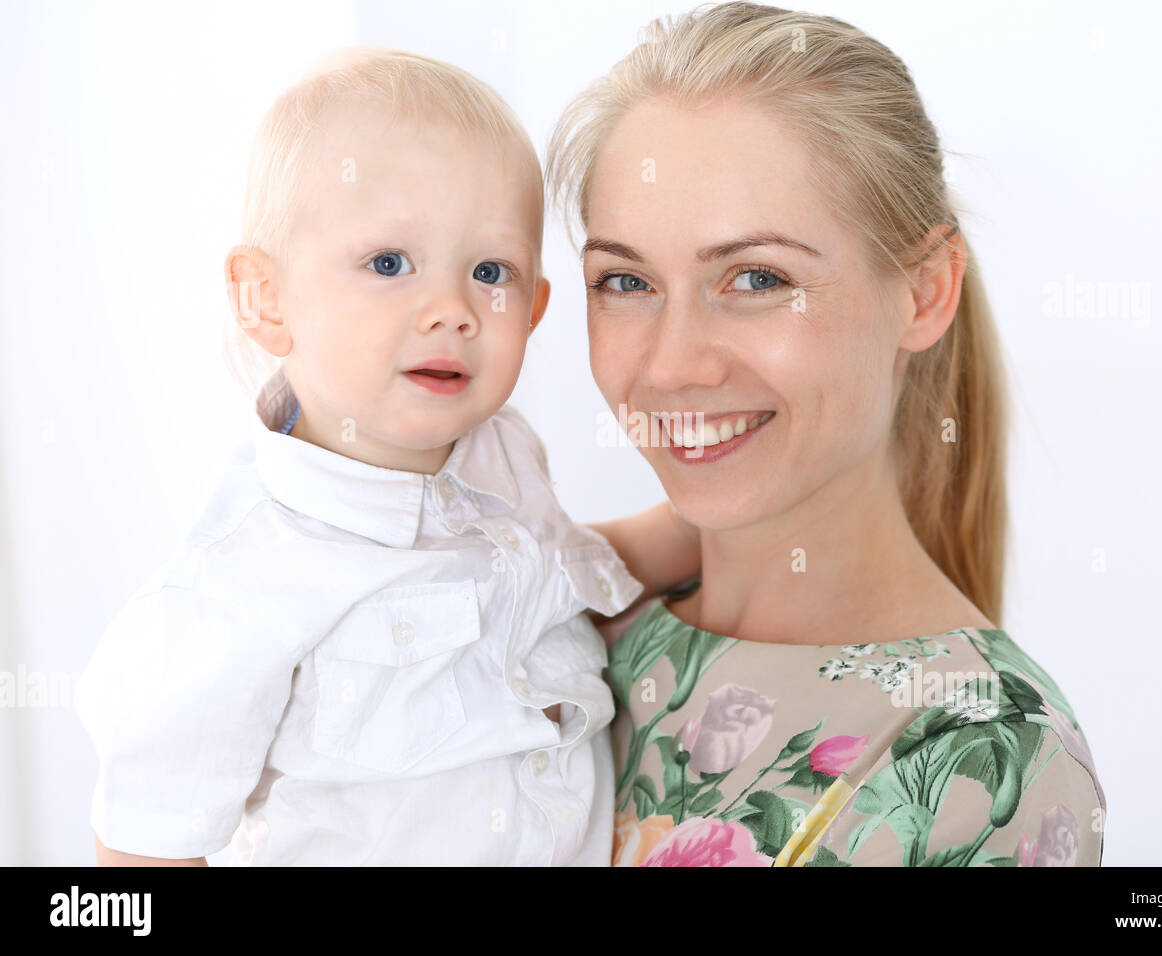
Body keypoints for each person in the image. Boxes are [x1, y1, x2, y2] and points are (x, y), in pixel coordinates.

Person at [73, 47, 698, 866]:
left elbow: (565, 577)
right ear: (266, 298)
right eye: (389, 264)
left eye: (489, 270)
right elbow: (143, 850)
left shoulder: (506, 460)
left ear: (535, 309)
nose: (451, 311)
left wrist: (725, 524)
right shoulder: (234, 591)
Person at [548, 2, 1106, 866]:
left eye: (757, 277)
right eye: (625, 281)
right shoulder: (559, 642)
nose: (670, 364)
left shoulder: (984, 763)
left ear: (924, 293)